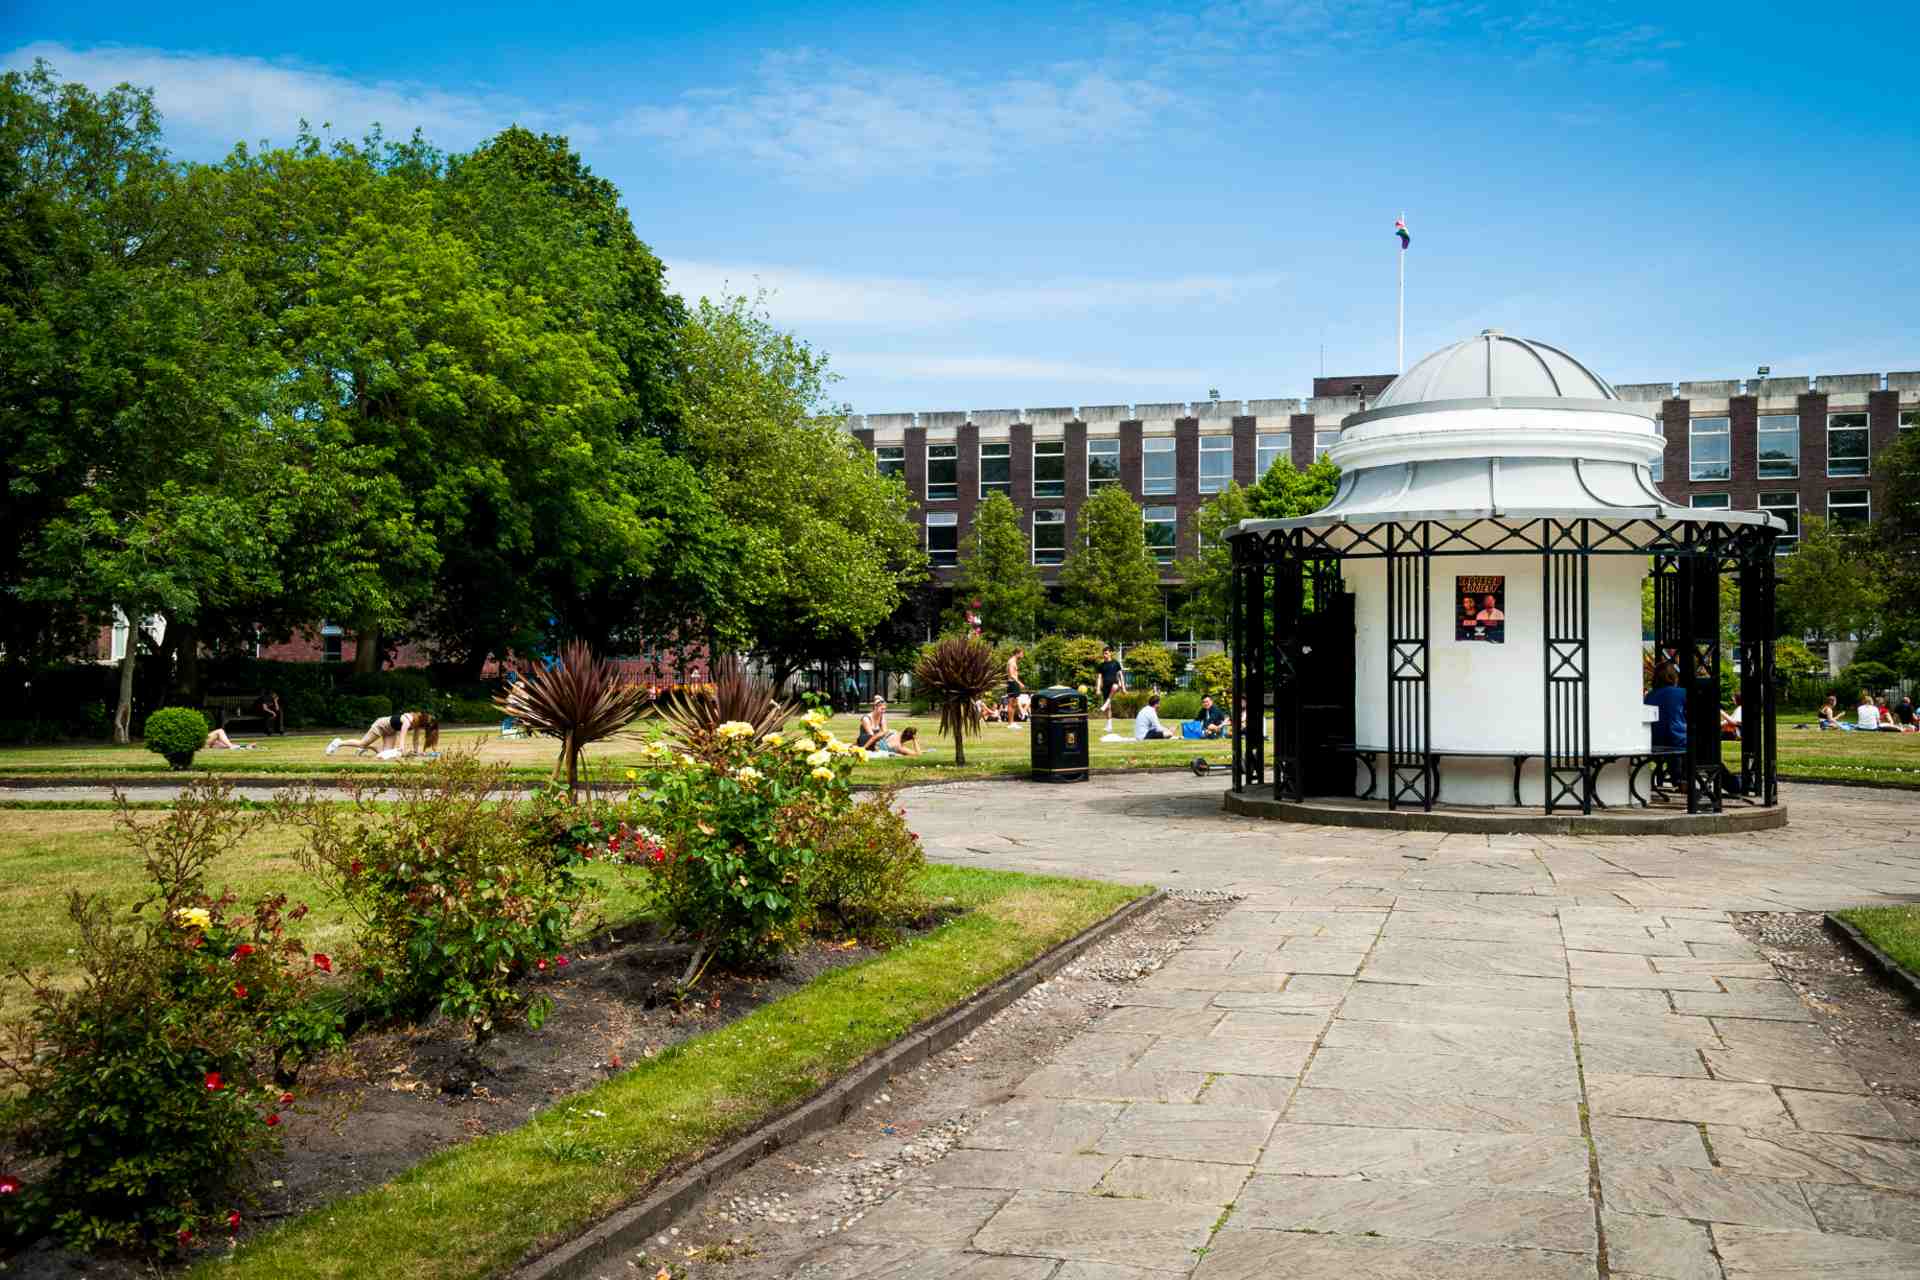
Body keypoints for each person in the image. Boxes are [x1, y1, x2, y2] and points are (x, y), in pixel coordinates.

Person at [327, 710, 441, 757]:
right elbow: (402, 735)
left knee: (385, 753)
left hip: (390, 731)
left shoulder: (417, 724)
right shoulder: (408, 720)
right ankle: (338, 743)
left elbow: (415, 740)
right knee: (362, 743)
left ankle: (371, 747)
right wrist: (401, 748)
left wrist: (417, 752)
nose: (423, 728)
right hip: (381, 725)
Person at [1644, 665, 1688, 751]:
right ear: (1674, 676)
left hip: (1656, 741)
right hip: (1679, 740)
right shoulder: (1682, 692)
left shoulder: (1649, 696)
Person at [1097, 646, 1127, 731]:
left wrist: (1123, 688)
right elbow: (1099, 678)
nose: (1104, 655)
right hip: (1105, 687)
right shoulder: (1101, 665)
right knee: (1108, 708)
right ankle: (1109, 726)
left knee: (1115, 686)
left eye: (1106, 653)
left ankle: (1106, 703)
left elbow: (1121, 675)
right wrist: (1098, 689)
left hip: (1115, 684)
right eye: (1103, 653)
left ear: (1110, 653)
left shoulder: (1115, 663)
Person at [1004, 647, 1025, 729]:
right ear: (1017, 653)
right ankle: (1010, 723)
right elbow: (1011, 674)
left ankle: (1012, 722)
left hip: (1014, 683)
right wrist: (1020, 683)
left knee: (1015, 703)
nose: (1022, 655)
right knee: (1011, 703)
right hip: (1012, 683)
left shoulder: (1014, 661)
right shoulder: (1012, 661)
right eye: (1022, 653)